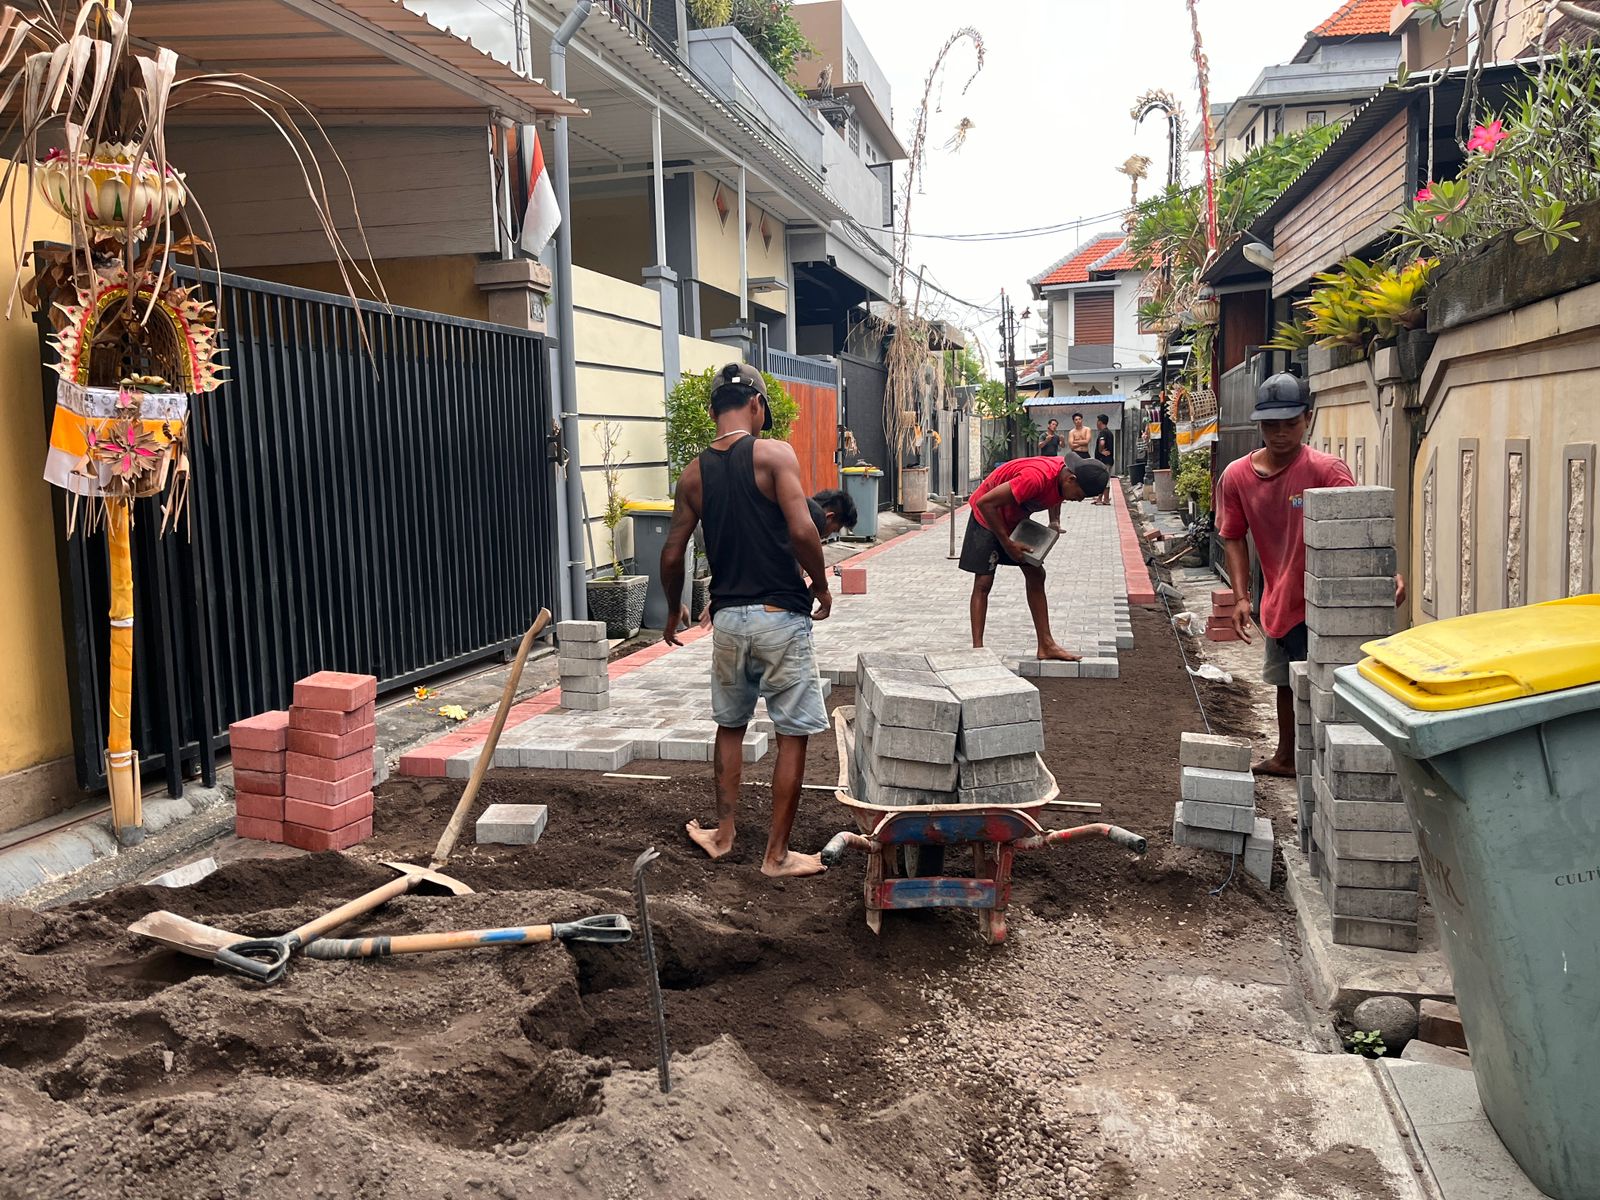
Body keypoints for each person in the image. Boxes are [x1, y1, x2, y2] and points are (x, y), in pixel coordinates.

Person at [661, 363, 832, 878]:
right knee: (792, 733)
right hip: (781, 615)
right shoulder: (774, 453)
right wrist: (820, 586)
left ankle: (724, 833)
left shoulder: (693, 474)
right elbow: (804, 530)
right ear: (756, 406)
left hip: (728, 620)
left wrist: (673, 609)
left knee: (730, 727)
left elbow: (672, 553)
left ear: (713, 410)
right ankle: (777, 855)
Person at [1217, 373, 1404, 777]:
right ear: (1259, 425)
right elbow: (1232, 536)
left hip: (1330, 602)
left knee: (1335, 682)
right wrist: (1241, 597)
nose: (1281, 434)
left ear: (1308, 419)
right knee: (1287, 679)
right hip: (1281, 598)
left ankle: (1338, 762)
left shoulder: (1326, 470)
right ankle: (1287, 756)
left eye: (1290, 423)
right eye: (1271, 425)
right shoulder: (1237, 477)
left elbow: (1358, 525)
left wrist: (1385, 576)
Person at [961, 455, 1110, 662]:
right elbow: (985, 503)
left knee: (1036, 574)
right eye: (1079, 495)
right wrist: (1007, 544)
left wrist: (1055, 521)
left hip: (1013, 518)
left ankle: (1046, 645)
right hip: (986, 516)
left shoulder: (1064, 474)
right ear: (1071, 479)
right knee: (984, 581)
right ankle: (977, 651)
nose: (1076, 500)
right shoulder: (1035, 477)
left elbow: (1058, 494)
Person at [1092, 413, 1115, 505]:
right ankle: (1102, 498)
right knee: (1105, 479)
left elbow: (1102, 443)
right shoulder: (1109, 432)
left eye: (1097, 421)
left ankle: (1104, 499)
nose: (1096, 423)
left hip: (1103, 460)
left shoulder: (1103, 432)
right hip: (1108, 460)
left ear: (1100, 422)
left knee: (1103, 480)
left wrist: (1101, 451)